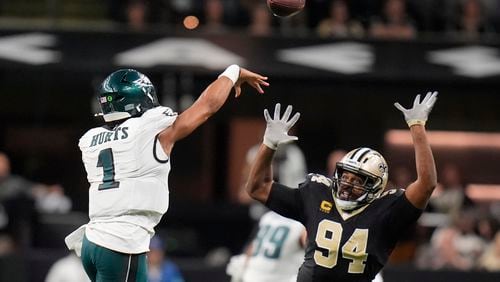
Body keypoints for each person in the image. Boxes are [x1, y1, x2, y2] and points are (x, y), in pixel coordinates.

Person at [65, 65, 268, 282]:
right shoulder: (148, 130)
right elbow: (206, 107)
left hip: (93, 240)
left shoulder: (91, 139)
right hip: (120, 242)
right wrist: (231, 73)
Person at [246, 91, 438, 281]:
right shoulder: (317, 194)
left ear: (375, 185)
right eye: (345, 176)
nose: (347, 184)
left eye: (356, 180)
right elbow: (257, 187)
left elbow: (427, 184)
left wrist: (417, 126)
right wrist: (269, 144)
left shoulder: (386, 211)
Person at [227, 210, 307, 282]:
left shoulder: (269, 216)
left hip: (250, 277)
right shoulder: (303, 222)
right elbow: (314, 254)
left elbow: (252, 248)